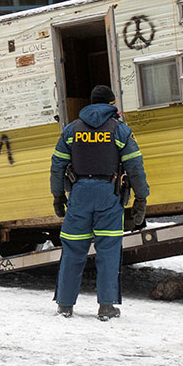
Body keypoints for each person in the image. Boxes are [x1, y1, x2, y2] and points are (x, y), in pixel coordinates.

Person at [50, 85, 149, 321]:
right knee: (108, 251)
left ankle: (65, 305)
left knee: (73, 250)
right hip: (109, 195)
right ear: (111, 104)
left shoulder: (72, 130)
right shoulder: (120, 131)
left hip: (79, 195)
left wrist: (58, 196)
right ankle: (106, 307)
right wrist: (141, 197)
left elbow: (57, 166)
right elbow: (135, 168)